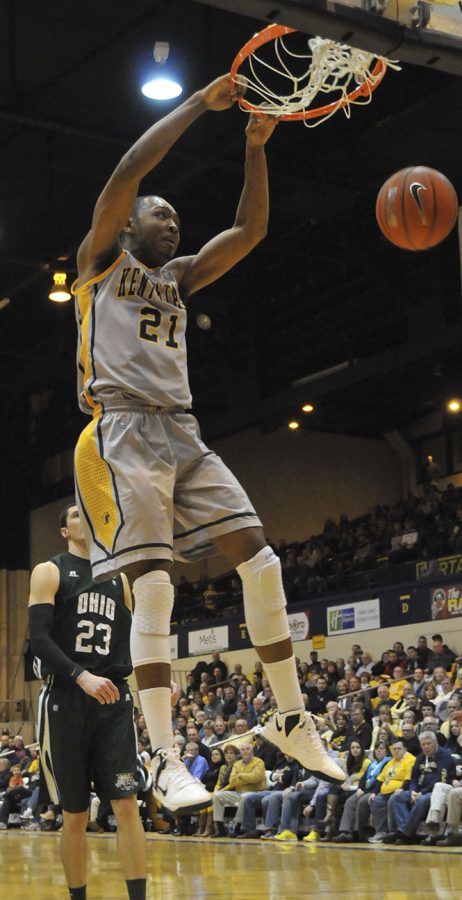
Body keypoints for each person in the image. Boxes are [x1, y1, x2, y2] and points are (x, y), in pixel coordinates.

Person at [71, 69, 344, 813]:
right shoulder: (100, 264)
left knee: (261, 562)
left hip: (183, 431)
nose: (172, 223)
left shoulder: (180, 279)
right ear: (127, 225)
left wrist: (256, 146)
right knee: (155, 585)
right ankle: (161, 756)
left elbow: (251, 231)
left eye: (176, 219)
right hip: (122, 430)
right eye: (161, 215)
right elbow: (129, 172)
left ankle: (291, 716)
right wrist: (198, 105)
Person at [28, 502, 146, 900]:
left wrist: (154, 683)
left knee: (127, 803)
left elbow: (135, 641)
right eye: (75, 514)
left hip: (113, 699)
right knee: (75, 815)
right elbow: (40, 641)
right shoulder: (50, 570)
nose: (84, 516)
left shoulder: (120, 580)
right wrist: (81, 676)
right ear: (65, 531)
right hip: (65, 698)